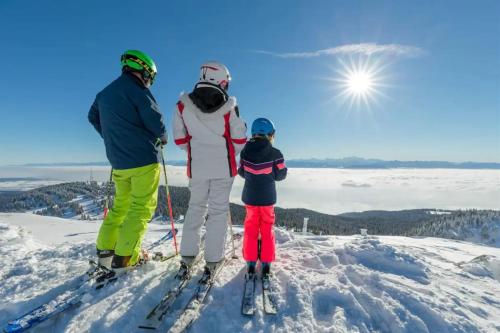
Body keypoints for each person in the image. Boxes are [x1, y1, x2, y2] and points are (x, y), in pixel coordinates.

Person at [88, 50, 167, 274]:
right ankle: (125, 258)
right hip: (144, 159)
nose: (150, 81)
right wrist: (162, 137)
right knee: (140, 210)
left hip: (119, 162)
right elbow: (156, 122)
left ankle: (105, 253)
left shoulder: (104, 94)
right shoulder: (138, 90)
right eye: (150, 76)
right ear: (143, 70)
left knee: (120, 208)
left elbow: (92, 117)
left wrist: (111, 136)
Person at [173, 61, 247, 281]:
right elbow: (239, 139)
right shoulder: (230, 106)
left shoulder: (182, 106)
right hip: (224, 168)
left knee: (195, 209)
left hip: (197, 167)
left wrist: (197, 151)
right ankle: (213, 260)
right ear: (221, 79)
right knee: (217, 212)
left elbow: (180, 139)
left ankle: (187, 257)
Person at [238, 118, 287, 280]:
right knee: (266, 229)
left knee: (251, 228)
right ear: (270, 135)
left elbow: (242, 172)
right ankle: (266, 263)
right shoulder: (276, 153)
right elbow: (281, 175)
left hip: (250, 198)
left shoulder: (245, 152)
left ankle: (251, 262)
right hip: (267, 199)